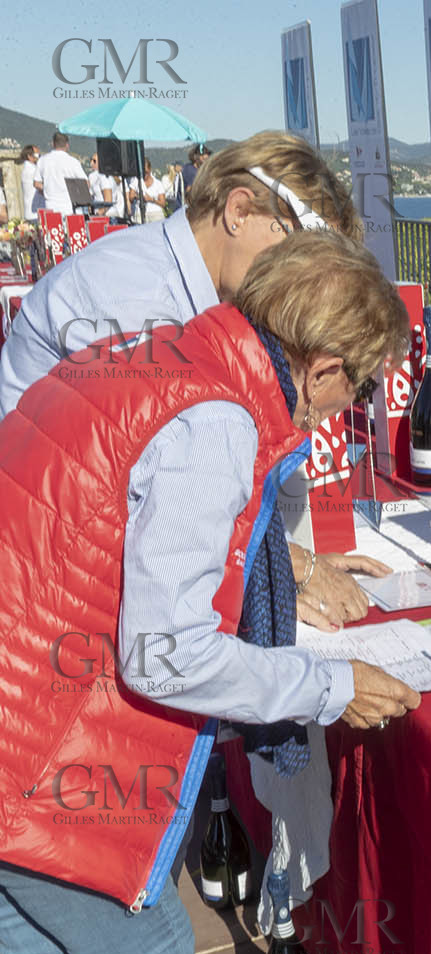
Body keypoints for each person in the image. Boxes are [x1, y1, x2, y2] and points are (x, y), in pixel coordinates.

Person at [0, 230, 422, 954]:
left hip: (24, 705)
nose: (352, 406)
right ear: (323, 367)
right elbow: (165, 652)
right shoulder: (216, 420)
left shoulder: (161, 352)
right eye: (363, 385)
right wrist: (329, 686)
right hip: (38, 753)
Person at [0, 129, 371, 630]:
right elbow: (166, 520)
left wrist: (283, 564)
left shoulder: (178, 284)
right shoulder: (137, 304)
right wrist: (291, 570)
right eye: (302, 253)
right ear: (239, 211)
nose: (305, 283)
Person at [35, 132, 88, 215]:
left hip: (50, 206)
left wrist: (47, 189)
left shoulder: (42, 160)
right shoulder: (73, 162)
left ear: (53, 144)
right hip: (69, 206)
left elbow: (37, 184)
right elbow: (86, 184)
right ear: (67, 145)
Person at [17, 145, 39, 221]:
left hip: (30, 213)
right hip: (35, 214)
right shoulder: (32, 170)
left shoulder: (27, 169)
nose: (39, 156)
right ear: (29, 156)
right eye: (37, 154)